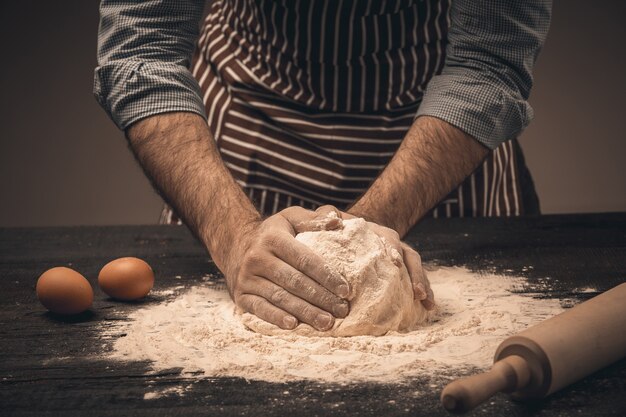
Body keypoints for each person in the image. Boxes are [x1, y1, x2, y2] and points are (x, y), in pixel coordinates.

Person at [94, 0, 551, 332]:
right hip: (251, 114)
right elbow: (144, 50)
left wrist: (364, 242)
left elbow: (488, 63)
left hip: (437, 125)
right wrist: (235, 238)